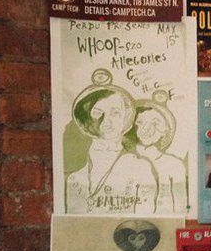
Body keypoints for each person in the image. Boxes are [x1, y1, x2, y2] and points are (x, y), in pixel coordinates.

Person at [64, 84, 158, 215]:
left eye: (115, 113)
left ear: (125, 117)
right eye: (97, 113)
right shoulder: (74, 179)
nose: (107, 121)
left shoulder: (141, 167)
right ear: (85, 118)